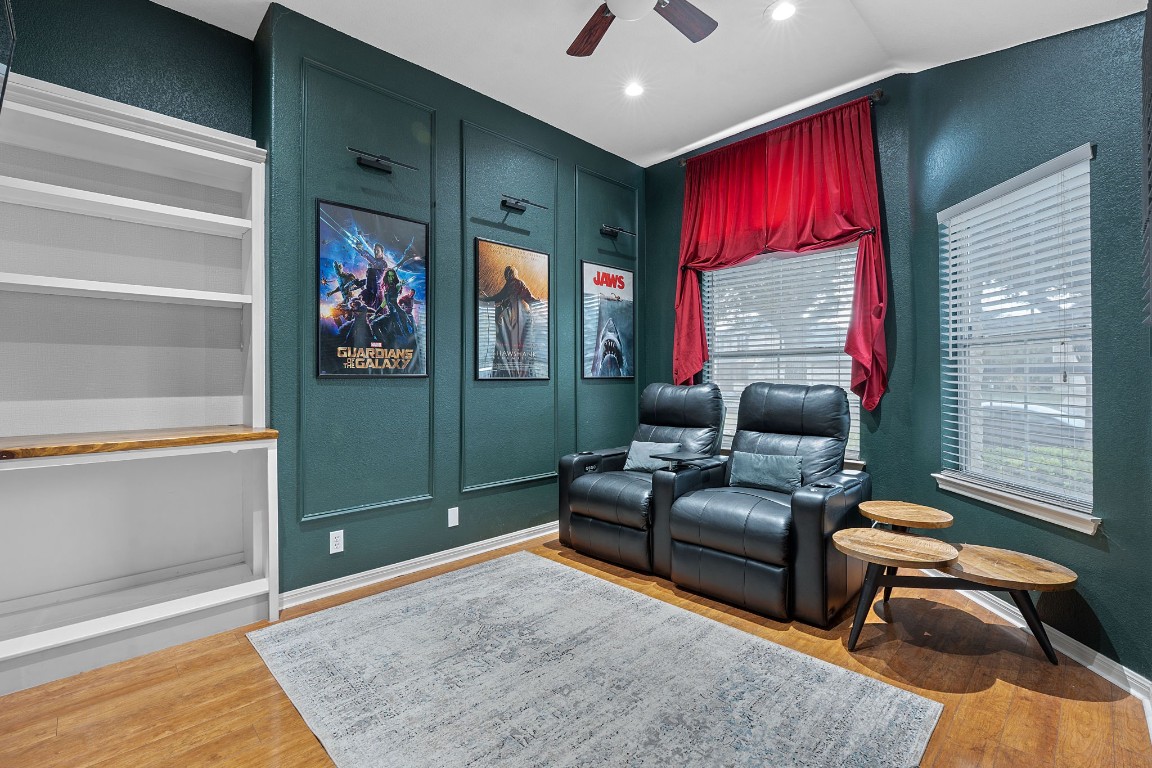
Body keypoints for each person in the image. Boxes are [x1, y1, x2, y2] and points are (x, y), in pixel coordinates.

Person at [479, 265, 542, 378]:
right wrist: (537, 301)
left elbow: (500, 297)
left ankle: (510, 372)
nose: (506, 276)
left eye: (507, 273)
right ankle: (523, 372)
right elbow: (526, 298)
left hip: (520, 317)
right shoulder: (516, 283)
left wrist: (485, 299)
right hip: (522, 317)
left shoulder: (514, 283)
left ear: (509, 274)